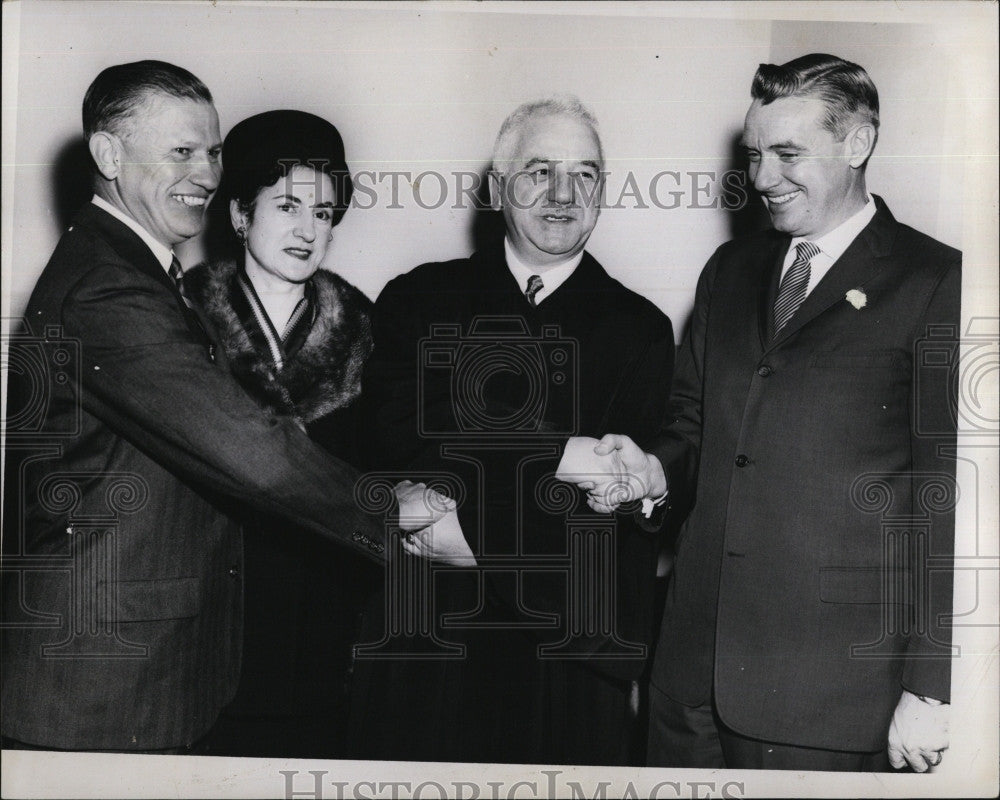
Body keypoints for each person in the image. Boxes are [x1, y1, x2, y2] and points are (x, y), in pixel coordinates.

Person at [0, 60, 470, 754]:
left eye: (212, 151)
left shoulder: (133, 272)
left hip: (180, 662)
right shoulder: (110, 291)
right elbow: (251, 450)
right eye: (181, 151)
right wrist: (390, 504)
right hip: (100, 679)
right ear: (107, 155)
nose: (205, 173)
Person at [565, 54, 959, 772]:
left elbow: (950, 499)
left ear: (858, 144)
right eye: (755, 154)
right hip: (687, 680)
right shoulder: (729, 271)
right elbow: (693, 429)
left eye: (787, 153)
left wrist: (930, 689)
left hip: (829, 698)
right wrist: (650, 473)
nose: (763, 178)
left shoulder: (940, 282)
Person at [353, 97, 674, 765]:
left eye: (585, 175)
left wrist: (478, 540)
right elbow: (399, 443)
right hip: (427, 644)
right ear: (498, 187)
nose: (562, 194)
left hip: (567, 663)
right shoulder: (420, 298)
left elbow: (621, 515)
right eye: (539, 170)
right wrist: (562, 455)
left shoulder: (639, 328)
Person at [179, 110, 377, 758]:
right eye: (286, 204)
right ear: (239, 214)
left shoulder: (368, 336)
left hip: (321, 652)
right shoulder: (180, 323)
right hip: (204, 648)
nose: (306, 229)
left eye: (322, 213)